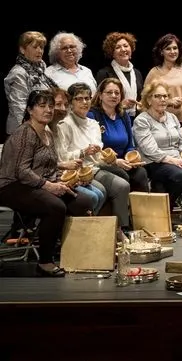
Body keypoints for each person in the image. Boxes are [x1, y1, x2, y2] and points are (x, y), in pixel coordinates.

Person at [0, 89, 96, 276]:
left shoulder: (48, 133)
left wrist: (63, 182)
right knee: (55, 206)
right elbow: (22, 171)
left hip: (36, 182)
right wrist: (49, 186)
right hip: (12, 185)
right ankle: (45, 261)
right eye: (42, 106)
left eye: (51, 106)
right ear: (30, 109)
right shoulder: (25, 133)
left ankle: (77, 253)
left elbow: (49, 167)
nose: (48, 110)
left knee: (83, 201)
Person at [55, 82, 132, 231]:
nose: (85, 102)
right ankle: (90, 230)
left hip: (94, 168)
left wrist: (110, 158)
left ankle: (119, 229)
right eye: (79, 99)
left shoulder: (93, 124)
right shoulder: (64, 124)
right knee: (105, 190)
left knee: (123, 184)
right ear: (71, 102)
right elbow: (62, 157)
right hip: (75, 172)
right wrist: (83, 152)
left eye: (87, 98)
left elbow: (97, 158)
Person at [134, 81, 182, 225]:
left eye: (165, 96)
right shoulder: (142, 120)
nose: (163, 99)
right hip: (154, 162)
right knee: (179, 175)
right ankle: (164, 212)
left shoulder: (172, 118)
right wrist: (174, 161)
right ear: (148, 99)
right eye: (158, 96)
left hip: (176, 160)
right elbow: (150, 150)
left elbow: (181, 142)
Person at [88, 78, 149, 193]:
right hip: (104, 163)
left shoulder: (123, 114)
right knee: (123, 175)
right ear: (100, 95)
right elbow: (95, 149)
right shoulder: (92, 115)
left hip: (124, 161)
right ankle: (125, 209)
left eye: (117, 93)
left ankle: (141, 209)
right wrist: (116, 161)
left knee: (141, 173)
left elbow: (130, 145)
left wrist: (130, 159)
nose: (114, 95)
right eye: (109, 92)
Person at [5, 31, 58, 136]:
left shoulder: (40, 70)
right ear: (22, 49)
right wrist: (28, 132)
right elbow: (19, 107)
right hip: (22, 130)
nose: (39, 51)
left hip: (40, 126)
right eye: (35, 47)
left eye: (41, 47)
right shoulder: (18, 73)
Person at [144, 34, 182, 124]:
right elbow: (146, 99)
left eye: (175, 48)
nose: (172, 51)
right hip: (164, 122)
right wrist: (168, 102)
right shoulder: (154, 73)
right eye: (168, 49)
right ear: (161, 52)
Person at [94, 32, 144, 111]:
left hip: (136, 118)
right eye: (118, 47)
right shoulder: (104, 73)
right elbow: (99, 101)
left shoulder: (137, 73)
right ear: (112, 53)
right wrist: (121, 105)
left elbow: (141, 97)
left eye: (126, 46)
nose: (123, 49)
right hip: (114, 118)